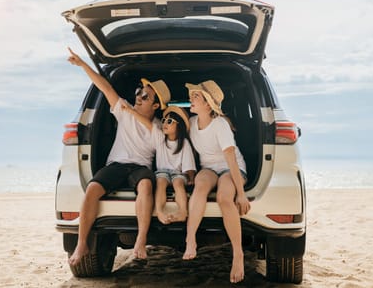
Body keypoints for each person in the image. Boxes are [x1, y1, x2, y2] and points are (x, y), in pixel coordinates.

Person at [66, 47, 171, 264]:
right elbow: (104, 86)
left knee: (145, 185)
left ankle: (141, 239)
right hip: (116, 164)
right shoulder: (124, 110)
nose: (138, 97)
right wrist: (83, 64)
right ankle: (82, 243)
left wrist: (130, 111)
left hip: (140, 167)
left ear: (156, 105)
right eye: (138, 92)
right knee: (92, 189)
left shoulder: (159, 127)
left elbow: (152, 131)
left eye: (145, 95)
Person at [182, 80, 251, 284]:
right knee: (200, 187)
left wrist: (241, 193)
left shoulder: (220, 125)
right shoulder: (192, 124)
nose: (191, 99)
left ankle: (238, 254)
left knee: (223, 197)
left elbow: (231, 159)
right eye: (192, 95)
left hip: (232, 168)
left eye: (196, 96)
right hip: (209, 168)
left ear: (208, 104)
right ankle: (190, 239)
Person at [121, 103, 196, 224]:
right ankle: (159, 211)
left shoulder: (184, 143)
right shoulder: (160, 138)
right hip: (162, 172)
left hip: (178, 173)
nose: (164, 123)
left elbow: (189, 164)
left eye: (170, 121)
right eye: (164, 120)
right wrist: (131, 111)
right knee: (160, 182)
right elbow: (148, 124)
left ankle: (183, 212)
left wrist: (191, 178)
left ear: (179, 125)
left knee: (178, 183)